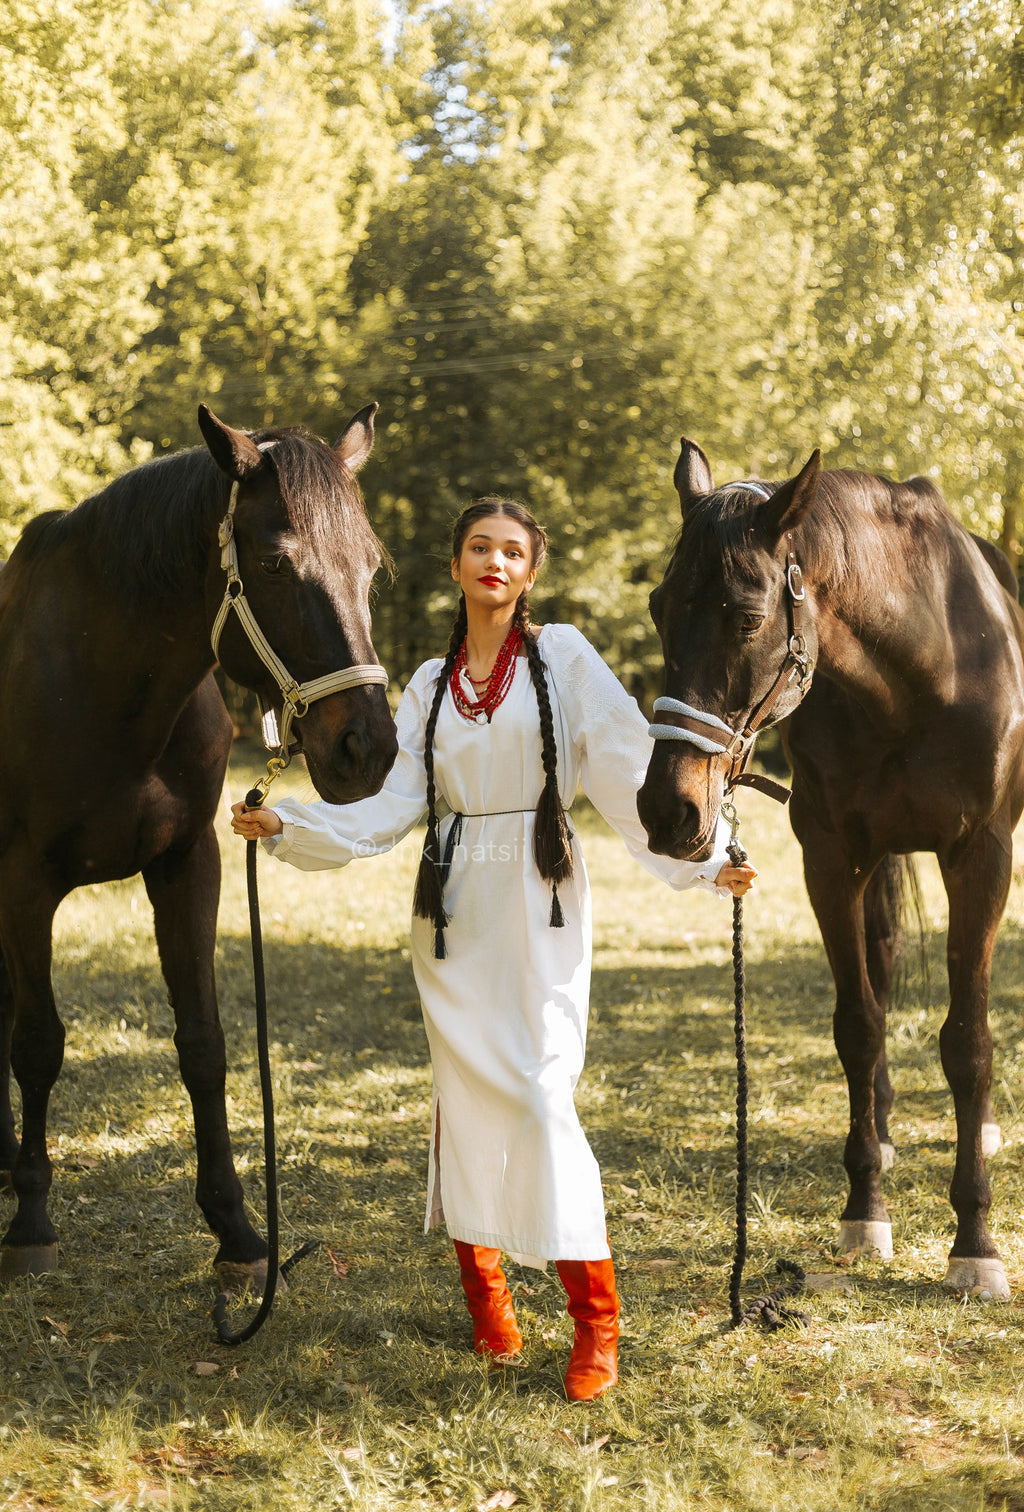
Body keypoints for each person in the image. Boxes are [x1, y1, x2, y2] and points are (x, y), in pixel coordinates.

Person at [232, 499, 756, 1401]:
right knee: (463, 1100)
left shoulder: (564, 660)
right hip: (452, 905)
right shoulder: (430, 683)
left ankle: (596, 1325)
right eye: (480, 547)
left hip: (539, 896)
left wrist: (708, 860)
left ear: (531, 570)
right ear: (456, 564)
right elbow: (390, 806)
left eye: (513, 551)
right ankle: (490, 1309)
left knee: (541, 1094)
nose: (495, 562)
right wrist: (287, 823)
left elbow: (628, 767)